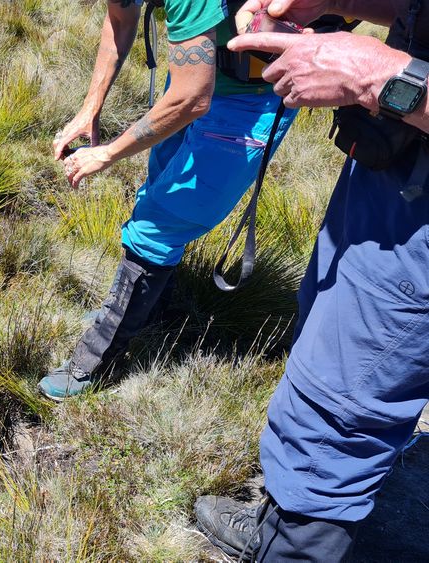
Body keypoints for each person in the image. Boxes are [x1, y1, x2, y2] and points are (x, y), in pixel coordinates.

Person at [193, 0, 429, 560]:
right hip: (386, 183)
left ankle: (295, 546)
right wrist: (341, 4)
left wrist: (382, 78)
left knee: (337, 418)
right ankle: (278, 524)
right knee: (320, 355)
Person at [39, 0, 303, 400]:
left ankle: (96, 359)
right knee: (157, 190)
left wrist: (107, 153)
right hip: (192, 77)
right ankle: (143, 313)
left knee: (160, 223)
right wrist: (89, 109)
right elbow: (120, 19)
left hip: (248, 101)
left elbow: (192, 98)